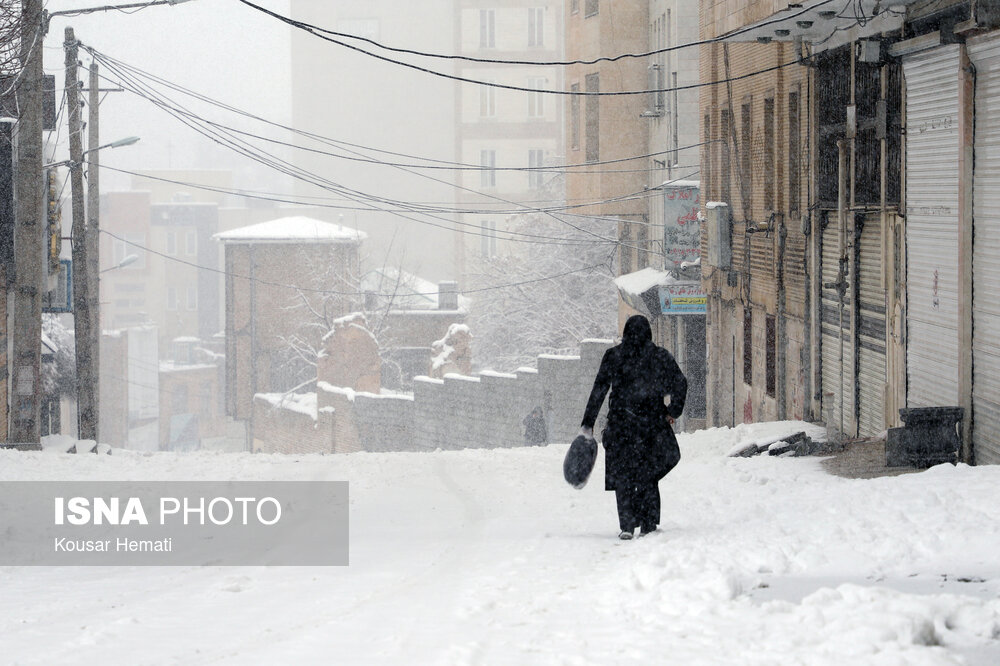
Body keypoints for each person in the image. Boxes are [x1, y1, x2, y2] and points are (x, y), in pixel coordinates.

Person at [579, 314, 687, 540]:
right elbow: (680, 382)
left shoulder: (614, 356)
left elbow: (599, 389)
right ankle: (648, 522)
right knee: (649, 473)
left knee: (623, 475)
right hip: (652, 425)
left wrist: (588, 423)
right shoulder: (660, 356)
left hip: (621, 425)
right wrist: (673, 410)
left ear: (625, 333)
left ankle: (627, 525)